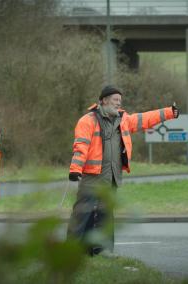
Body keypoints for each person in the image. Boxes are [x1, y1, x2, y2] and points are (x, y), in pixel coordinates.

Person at [67, 85, 179, 256]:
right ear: (104, 100)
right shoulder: (88, 120)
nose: (118, 103)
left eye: (120, 100)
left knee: (105, 214)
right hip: (91, 176)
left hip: (111, 177)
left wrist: (169, 112)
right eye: (115, 100)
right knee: (82, 213)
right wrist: (75, 169)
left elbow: (145, 118)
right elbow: (80, 146)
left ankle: (102, 251)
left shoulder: (123, 119)